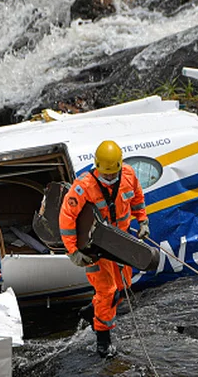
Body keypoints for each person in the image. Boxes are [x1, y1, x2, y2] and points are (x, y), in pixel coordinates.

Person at [59, 140, 150, 357]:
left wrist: (143, 221)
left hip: (120, 242)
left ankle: (91, 312)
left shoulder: (128, 176)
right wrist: (73, 251)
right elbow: (67, 218)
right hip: (95, 248)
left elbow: (137, 198)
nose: (109, 178)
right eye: (105, 174)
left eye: (112, 174)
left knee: (122, 286)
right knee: (107, 292)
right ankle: (103, 340)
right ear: (97, 166)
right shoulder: (83, 187)